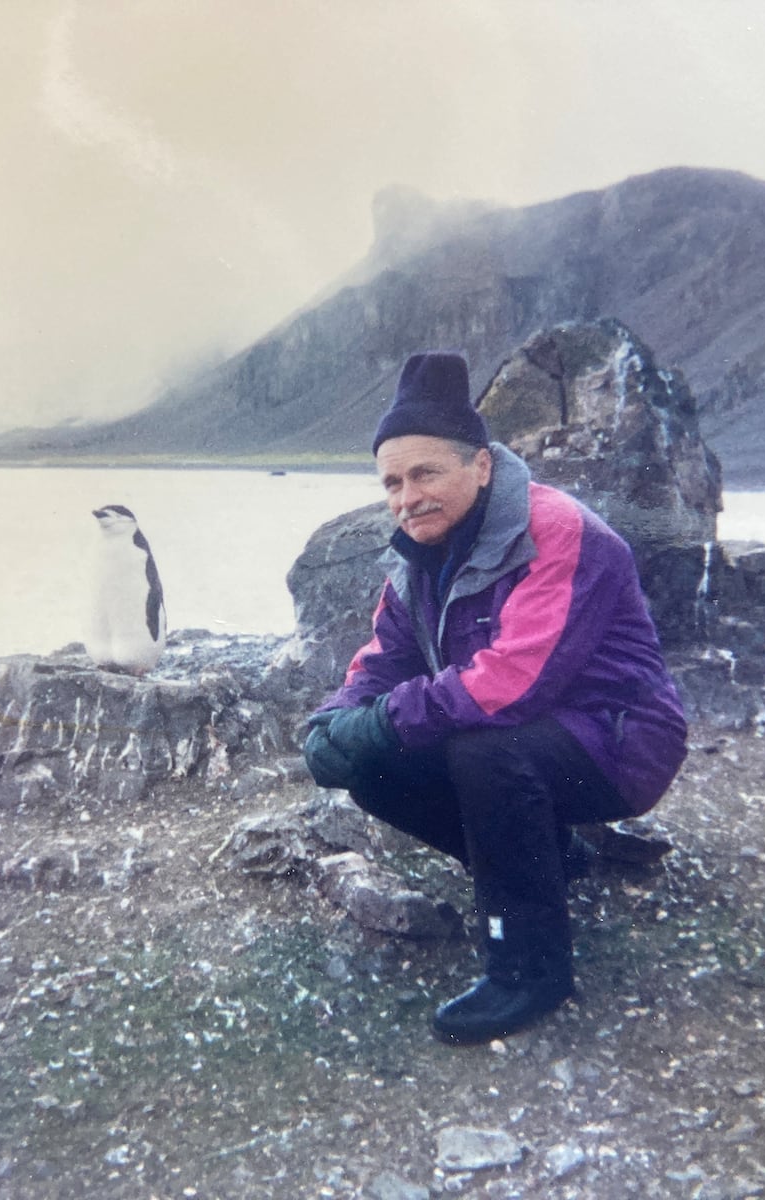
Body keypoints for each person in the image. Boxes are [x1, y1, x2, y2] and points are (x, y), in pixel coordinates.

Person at [304, 352, 688, 1046]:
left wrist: (384, 720)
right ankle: (554, 859)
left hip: (622, 742)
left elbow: (513, 681)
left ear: (481, 466)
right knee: (369, 763)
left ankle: (529, 967)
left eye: (425, 473)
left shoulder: (558, 530)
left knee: (482, 749)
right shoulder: (417, 553)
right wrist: (339, 719)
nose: (406, 496)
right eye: (392, 481)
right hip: (533, 739)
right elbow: (382, 659)